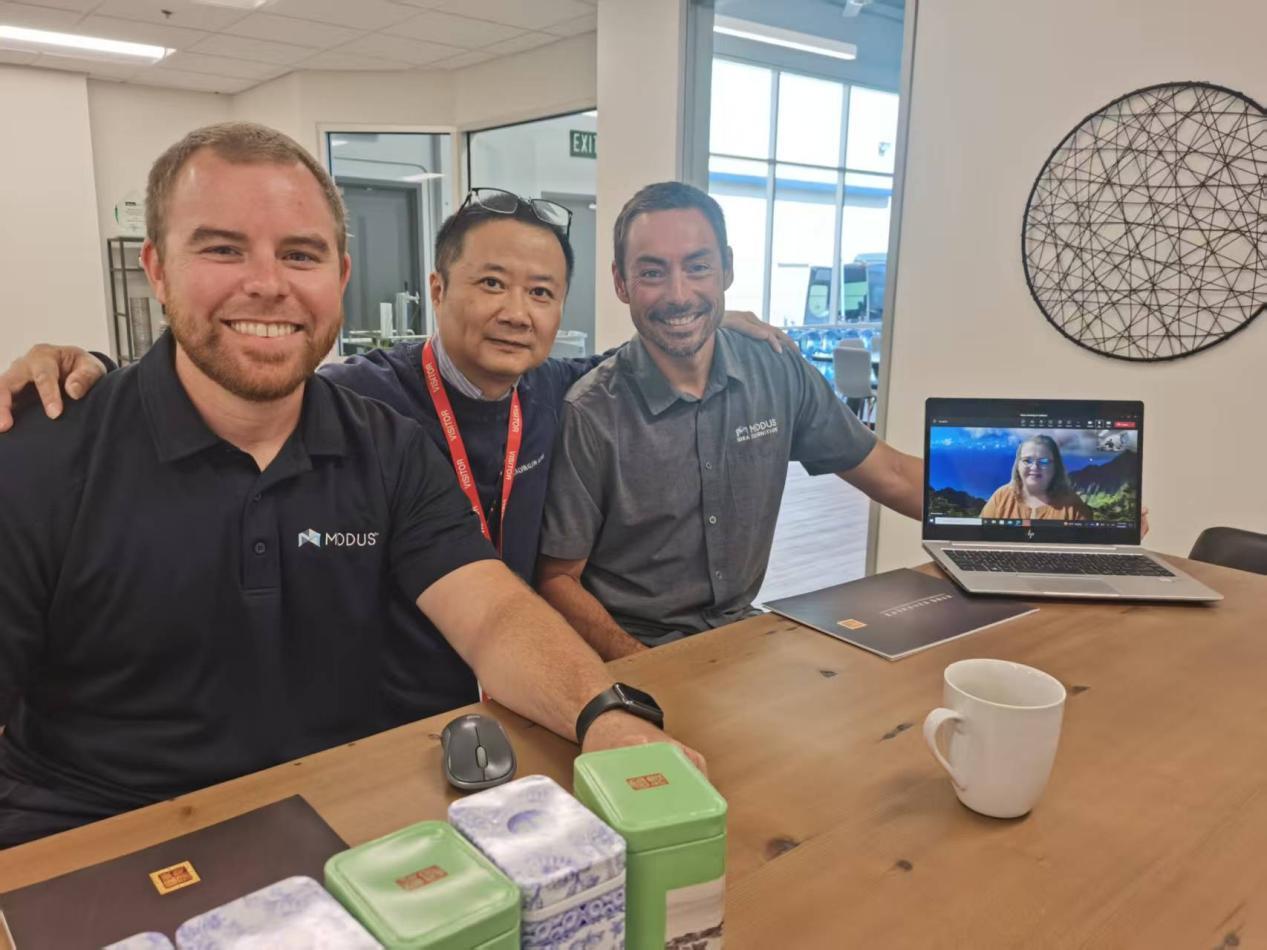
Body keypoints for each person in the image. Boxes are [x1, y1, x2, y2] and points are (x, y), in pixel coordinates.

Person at [0, 122, 699, 848]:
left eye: (300, 254)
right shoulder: (40, 454)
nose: (266, 284)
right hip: (93, 839)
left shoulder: (388, 447)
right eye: (222, 249)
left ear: (339, 276)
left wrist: (605, 715)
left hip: (337, 814)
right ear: (157, 268)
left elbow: (492, 614)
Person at [535, 181, 926, 659]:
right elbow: (557, 580)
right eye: (653, 272)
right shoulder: (591, 413)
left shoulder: (775, 370)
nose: (679, 294)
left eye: (698, 267)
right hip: (631, 650)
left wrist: (995, 515)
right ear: (620, 282)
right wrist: (646, 668)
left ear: (727, 268)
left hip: (742, 636)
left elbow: (892, 472)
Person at [979, 435, 1093, 521]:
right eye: (1027, 460)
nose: (1034, 467)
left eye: (1044, 461)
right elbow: (981, 535)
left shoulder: (1074, 506)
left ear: (1056, 466)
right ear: (1018, 465)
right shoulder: (1001, 497)